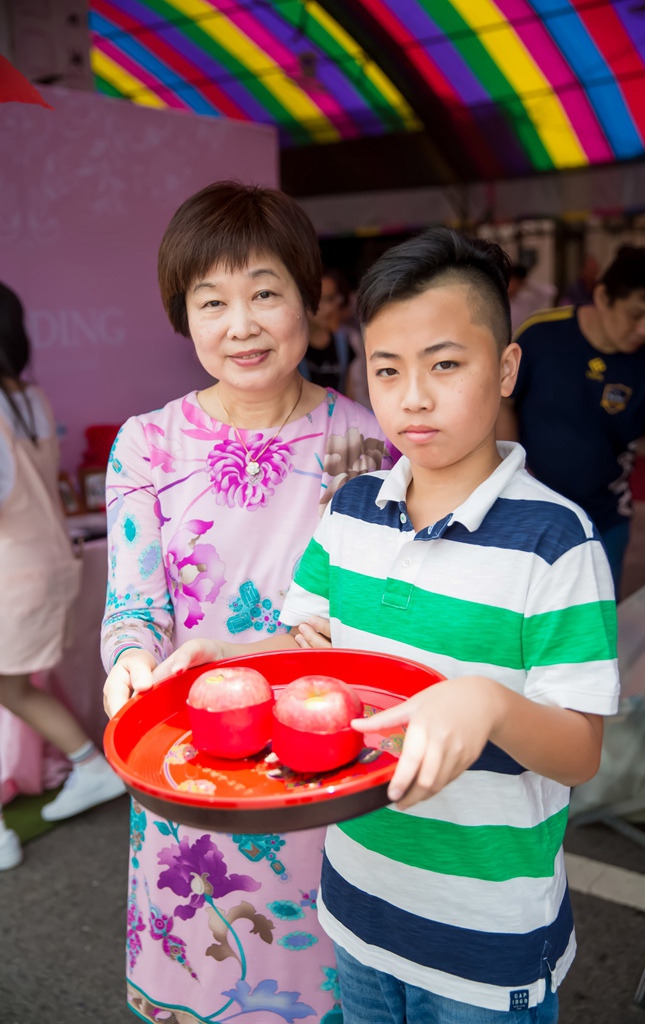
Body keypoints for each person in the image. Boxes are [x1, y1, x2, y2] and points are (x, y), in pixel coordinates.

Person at [157, 228, 619, 1023]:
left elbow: (578, 751)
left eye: (445, 365)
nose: (412, 397)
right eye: (386, 369)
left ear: (504, 368)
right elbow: (310, 646)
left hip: (486, 937)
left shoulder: (556, 542)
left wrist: (489, 706)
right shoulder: (352, 509)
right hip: (358, 902)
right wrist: (223, 658)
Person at [101, 181, 391, 1023]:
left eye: (265, 292)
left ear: (308, 296)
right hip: (191, 767)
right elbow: (133, 605)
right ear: (182, 315)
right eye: (212, 301)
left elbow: (364, 615)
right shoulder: (145, 444)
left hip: (322, 766)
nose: (241, 325)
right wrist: (129, 665)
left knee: (330, 988)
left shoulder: (364, 440)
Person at [0, 282, 125, 871]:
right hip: (46, 559)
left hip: (12, 568)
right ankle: (90, 765)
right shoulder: (30, 397)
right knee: (14, 690)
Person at [498, 245, 645, 596]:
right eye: (635, 314)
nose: (644, 329)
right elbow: (504, 403)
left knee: (591, 630)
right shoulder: (541, 336)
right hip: (530, 512)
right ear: (602, 296)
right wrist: (513, 469)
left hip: (604, 519)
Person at [300, 267, 355, 393]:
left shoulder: (343, 345)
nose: (328, 307)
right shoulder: (293, 346)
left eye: (331, 299)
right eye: (319, 300)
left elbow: (349, 393)